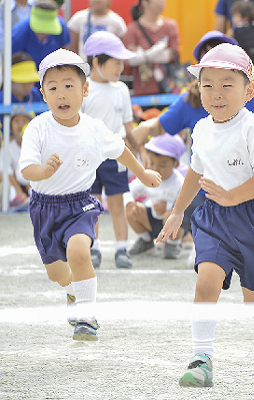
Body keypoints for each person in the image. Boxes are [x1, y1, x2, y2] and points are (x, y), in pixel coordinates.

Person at [157, 43, 254, 387]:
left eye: (227, 85)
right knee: (206, 284)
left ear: (249, 91)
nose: (216, 93)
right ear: (197, 88)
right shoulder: (202, 128)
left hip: (251, 217)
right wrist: (177, 212)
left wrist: (233, 196)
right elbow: (195, 171)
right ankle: (201, 359)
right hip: (213, 217)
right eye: (208, 85)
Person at [129, 30, 254, 267]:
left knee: (253, 278)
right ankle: (185, 240)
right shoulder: (191, 101)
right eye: (210, 55)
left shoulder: (247, 98)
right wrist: (139, 131)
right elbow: (160, 125)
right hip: (205, 196)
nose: (217, 93)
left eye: (223, 53)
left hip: (242, 196)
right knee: (202, 267)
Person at [18, 49, 161, 341]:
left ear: (84, 90)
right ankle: (73, 291)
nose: (62, 94)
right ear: (43, 94)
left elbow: (121, 149)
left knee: (79, 252)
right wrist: (43, 172)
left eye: (69, 85)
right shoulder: (37, 128)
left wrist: (143, 173)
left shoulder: (94, 129)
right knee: (57, 275)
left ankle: (86, 314)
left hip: (80, 204)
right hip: (44, 208)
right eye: (53, 87)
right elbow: (26, 170)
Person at [81, 31, 136, 269]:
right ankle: (93, 248)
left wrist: (138, 153)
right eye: (116, 62)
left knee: (116, 204)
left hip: (116, 157)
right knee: (92, 205)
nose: (121, 68)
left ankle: (122, 248)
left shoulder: (122, 90)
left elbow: (128, 127)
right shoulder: (83, 89)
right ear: (97, 62)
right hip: (89, 159)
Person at [125, 134, 185, 259]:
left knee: (172, 214)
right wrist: (130, 204)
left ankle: (173, 244)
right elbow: (128, 190)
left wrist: (168, 207)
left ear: (176, 164)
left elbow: (186, 203)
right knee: (134, 210)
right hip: (152, 220)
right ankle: (145, 241)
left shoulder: (179, 182)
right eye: (152, 163)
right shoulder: (147, 176)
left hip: (173, 225)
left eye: (162, 165)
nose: (156, 169)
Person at [123, 0, 181, 95]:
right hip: (143, 93)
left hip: (169, 91)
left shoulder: (171, 26)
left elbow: (173, 54)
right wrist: (158, 50)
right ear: (145, 2)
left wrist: (141, 54)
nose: (162, 2)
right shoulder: (132, 29)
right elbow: (128, 60)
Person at [11, 0, 70, 68]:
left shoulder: (61, 27)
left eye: (47, 27)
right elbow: (10, 61)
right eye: (40, 27)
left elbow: (64, 53)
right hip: (25, 74)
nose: (43, 31)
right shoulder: (19, 31)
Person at [230, 0, 254, 71]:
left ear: (245, 17)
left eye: (235, 16)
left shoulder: (235, 30)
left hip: (243, 60)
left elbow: (228, 37)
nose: (233, 18)